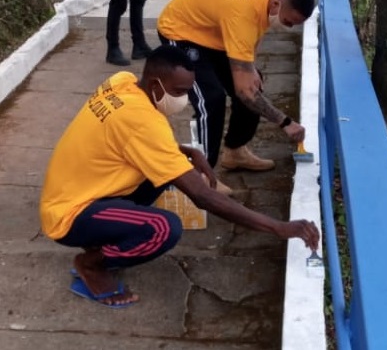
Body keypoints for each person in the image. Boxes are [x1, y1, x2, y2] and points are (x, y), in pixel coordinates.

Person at [39, 45, 319, 308]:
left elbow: (126, 137)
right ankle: (90, 264)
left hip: (72, 189)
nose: (184, 99)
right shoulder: (144, 122)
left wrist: (186, 151)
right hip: (69, 214)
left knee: (163, 173)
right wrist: (276, 226)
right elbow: (201, 195)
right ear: (154, 85)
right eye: (179, 91)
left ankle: (103, 237)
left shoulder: (122, 82)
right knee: (163, 228)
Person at [157, 0, 315, 171]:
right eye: (288, 22)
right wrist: (285, 122)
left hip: (215, 33)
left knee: (255, 83)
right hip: (180, 30)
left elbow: (255, 31)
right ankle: (203, 175)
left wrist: (251, 67)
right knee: (212, 99)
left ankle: (235, 151)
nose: (289, 28)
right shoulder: (242, 14)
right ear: (276, 5)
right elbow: (244, 91)